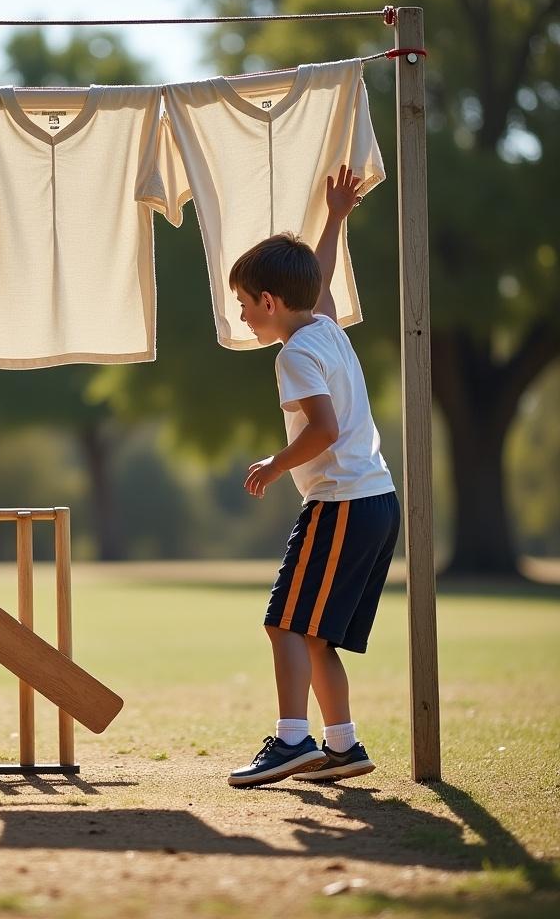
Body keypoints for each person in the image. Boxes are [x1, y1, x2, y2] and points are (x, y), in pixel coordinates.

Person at [226, 166, 400, 788]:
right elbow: (316, 281)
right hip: (376, 500)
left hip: (341, 502)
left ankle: (293, 741)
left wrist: (275, 465)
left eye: (245, 304)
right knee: (317, 634)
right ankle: (344, 747)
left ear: (269, 302)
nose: (244, 315)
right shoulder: (321, 325)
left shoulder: (295, 354)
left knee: (284, 624)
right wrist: (335, 217)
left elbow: (322, 431)